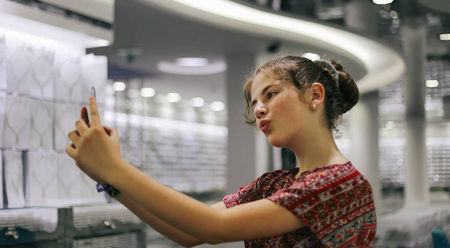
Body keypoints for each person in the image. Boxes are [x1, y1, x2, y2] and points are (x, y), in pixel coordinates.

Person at [66, 55, 377, 247]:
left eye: (270, 95)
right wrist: (110, 181)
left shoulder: (340, 185)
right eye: (255, 103)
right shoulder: (274, 184)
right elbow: (188, 233)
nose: (259, 110)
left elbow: (214, 228)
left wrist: (115, 168)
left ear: (315, 95)